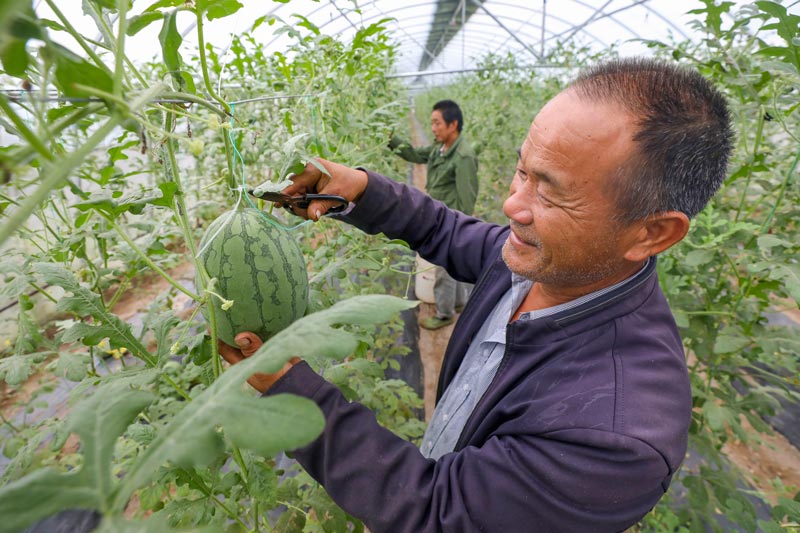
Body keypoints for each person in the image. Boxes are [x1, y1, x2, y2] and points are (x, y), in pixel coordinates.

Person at [220, 58, 733, 532]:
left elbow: (437, 514)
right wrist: (359, 188)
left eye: (550, 190)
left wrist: (292, 389)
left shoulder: (617, 437)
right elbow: (444, 228)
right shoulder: (546, 262)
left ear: (652, 233)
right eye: (522, 170)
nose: (513, 204)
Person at [388, 99, 479, 329]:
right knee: (451, 265)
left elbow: (467, 196)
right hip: (440, 213)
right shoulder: (440, 149)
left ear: (453, 124)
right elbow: (414, 154)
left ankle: (444, 312)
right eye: (431, 123)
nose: (433, 128)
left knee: (443, 266)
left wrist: (457, 229)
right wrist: (390, 139)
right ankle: (458, 302)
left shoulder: (464, 156)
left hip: (450, 219)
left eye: (437, 123)